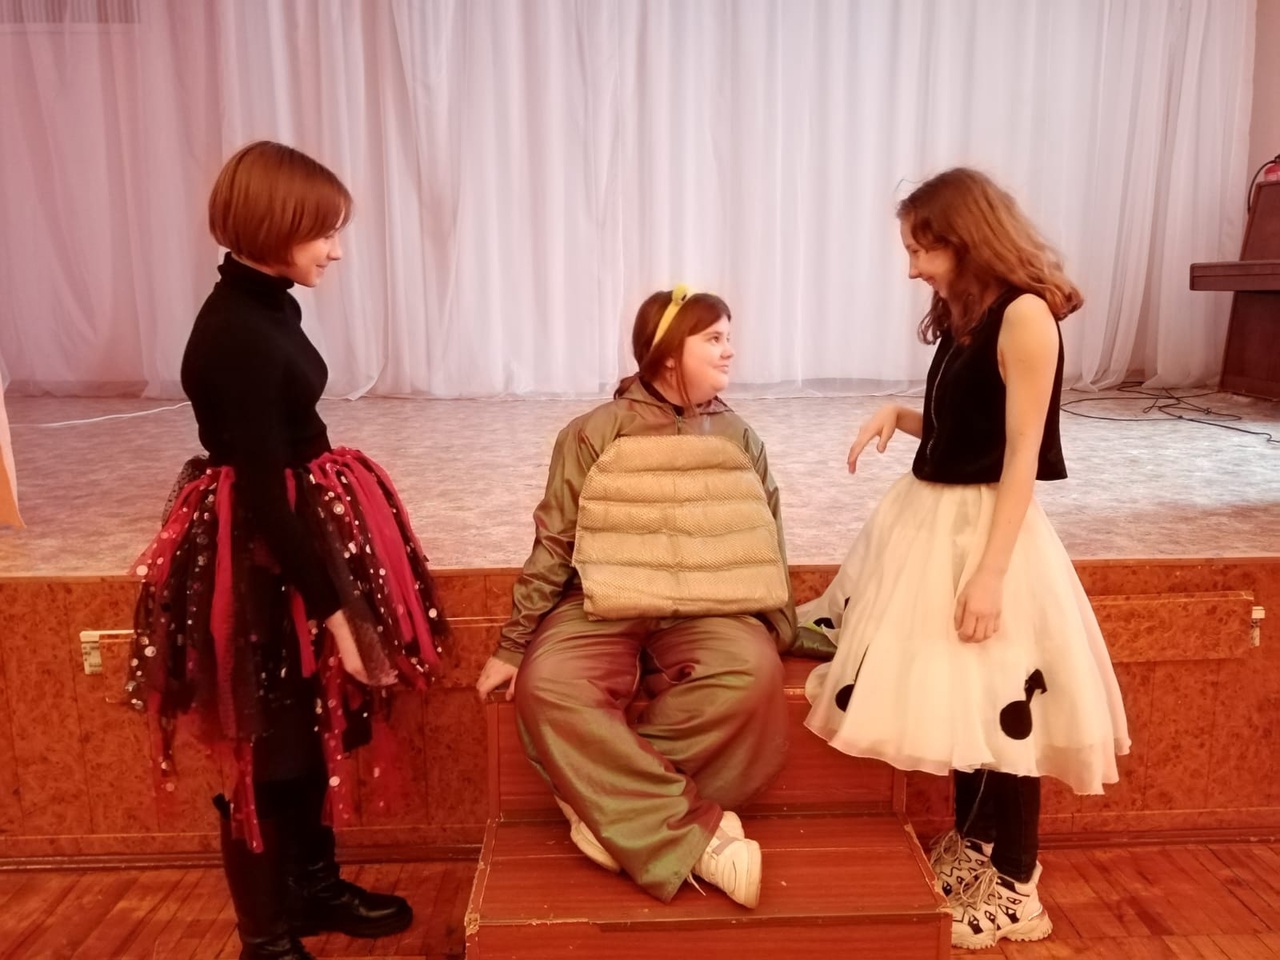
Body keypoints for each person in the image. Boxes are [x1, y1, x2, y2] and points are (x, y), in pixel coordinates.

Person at [127, 141, 448, 960]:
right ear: (274, 227)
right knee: (269, 744)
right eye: (324, 233)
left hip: (291, 531)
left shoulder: (269, 302)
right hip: (260, 556)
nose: (336, 251)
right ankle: (265, 939)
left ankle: (310, 888)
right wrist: (339, 616)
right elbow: (266, 499)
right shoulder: (235, 332)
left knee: (309, 727)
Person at [797, 168, 1129, 950]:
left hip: (987, 531)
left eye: (923, 249)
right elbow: (967, 422)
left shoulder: (1025, 317)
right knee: (962, 694)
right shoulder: (965, 312)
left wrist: (991, 573)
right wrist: (901, 413)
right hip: (936, 520)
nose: (912, 267)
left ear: (967, 239)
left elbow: (1019, 453)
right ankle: (976, 844)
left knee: (1006, 700)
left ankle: (1018, 883)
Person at [475, 286, 825, 909]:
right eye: (713, 338)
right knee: (547, 685)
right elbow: (555, 541)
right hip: (599, 599)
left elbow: (765, 538)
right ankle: (699, 838)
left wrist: (779, 627)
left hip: (709, 605)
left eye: (728, 337)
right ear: (667, 353)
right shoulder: (593, 433)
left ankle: (601, 804)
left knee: (750, 675)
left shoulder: (739, 437)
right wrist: (513, 645)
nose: (730, 350)